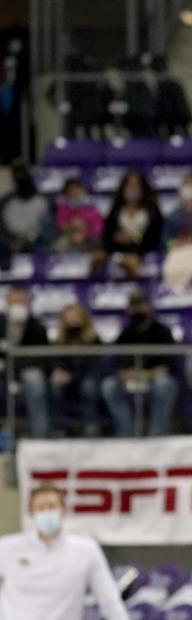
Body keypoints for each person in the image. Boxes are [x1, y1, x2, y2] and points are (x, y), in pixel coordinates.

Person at [0, 484, 136, 620]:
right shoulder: (7, 548)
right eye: (40, 508)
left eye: (51, 506)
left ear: (63, 510)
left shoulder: (85, 550)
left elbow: (109, 600)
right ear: (31, 513)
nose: (46, 512)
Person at [100, 290, 179, 437]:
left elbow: (169, 364)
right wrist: (122, 373)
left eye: (140, 305)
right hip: (130, 379)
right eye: (133, 306)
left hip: (154, 378)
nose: (137, 310)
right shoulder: (126, 333)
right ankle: (126, 432)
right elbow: (116, 362)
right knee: (109, 386)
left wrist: (147, 374)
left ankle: (158, 433)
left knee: (163, 384)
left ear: (149, 307)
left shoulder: (162, 332)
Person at [0, 287, 52, 438]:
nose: (18, 306)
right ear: (7, 305)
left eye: (22, 302)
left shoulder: (37, 328)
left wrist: (10, 365)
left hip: (26, 374)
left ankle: (40, 437)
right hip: (2, 377)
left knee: (34, 379)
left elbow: (41, 358)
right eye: (14, 302)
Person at [50, 303, 103, 437]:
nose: (72, 320)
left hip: (89, 377)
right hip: (67, 379)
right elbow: (55, 362)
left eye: (76, 316)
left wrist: (72, 376)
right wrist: (57, 371)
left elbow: (95, 366)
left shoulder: (94, 340)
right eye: (69, 316)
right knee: (55, 385)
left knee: (88, 386)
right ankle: (60, 428)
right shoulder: (59, 341)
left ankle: (90, 427)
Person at [100, 171, 164, 278]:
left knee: (132, 263)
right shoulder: (116, 210)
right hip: (117, 250)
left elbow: (155, 237)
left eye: (136, 186)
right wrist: (115, 238)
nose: (132, 189)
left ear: (143, 188)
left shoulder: (152, 211)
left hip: (142, 251)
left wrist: (134, 239)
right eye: (129, 185)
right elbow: (107, 234)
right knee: (98, 257)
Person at [0, 161, 54, 268]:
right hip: (11, 242)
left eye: (24, 176)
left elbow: (50, 226)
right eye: (18, 177)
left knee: (44, 248)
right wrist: (13, 242)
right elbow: (1, 228)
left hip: (38, 241)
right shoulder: (6, 201)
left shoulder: (45, 200)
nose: (22, 180)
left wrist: (30, 239)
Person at [54, 178, 104, 252]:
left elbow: (98, 227)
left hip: (90, 237)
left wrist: (85, 234)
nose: (74, 192)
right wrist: (70, 225)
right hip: (70, 235)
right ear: (66, 193)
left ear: (82, 189)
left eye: (77, 189)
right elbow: (60, 224)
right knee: (59, 245)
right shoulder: (63, 207)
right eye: (71, 190)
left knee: (97, 244)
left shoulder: (92, 207)